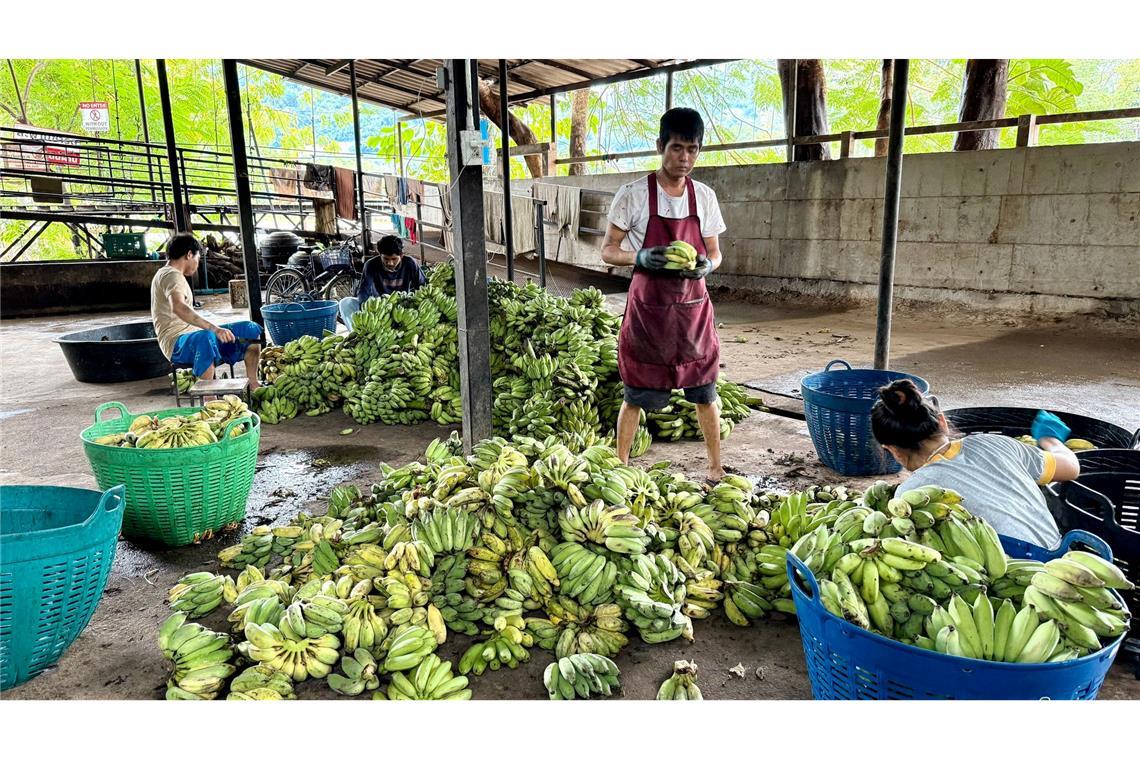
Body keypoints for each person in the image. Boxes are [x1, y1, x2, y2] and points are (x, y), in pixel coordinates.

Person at [601, 107, 727, 483]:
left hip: (692, 314)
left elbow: (715, 251)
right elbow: (608, 250)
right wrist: (639, 256)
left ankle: (715, 466)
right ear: (660, 146)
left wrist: (708, 266)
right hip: (649, 315)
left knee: (705, 393)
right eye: (676, 148)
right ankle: (621, 465)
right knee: (636, 395)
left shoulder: (704, 197)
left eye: (692, 149)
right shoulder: (633, 195)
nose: (684, 158)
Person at [871, 379, 1079, 547]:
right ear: (942, 421)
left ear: (892, 450)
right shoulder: (996, 443)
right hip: (1060, 553)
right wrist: (1049, 439)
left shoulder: (910, 495)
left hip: (1009, 575)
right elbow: (1071, 468)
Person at [150, 233, 261, 389]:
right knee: (206, 337)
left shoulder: (172, 275)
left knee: (249, 328)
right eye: (197, 257)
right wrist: (214, 328)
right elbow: (178, 307)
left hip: (192, 334)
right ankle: (209, 396)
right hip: (176, 343)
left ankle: (253, 384)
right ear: (189, 254)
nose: (198, 263)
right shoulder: (171, 275)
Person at [339, 235, 426, 330]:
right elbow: (364, 291)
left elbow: (422, 286)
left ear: (401, 255)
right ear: (379, 254)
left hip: (402, 309)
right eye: (386, 259)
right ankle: (357, 332)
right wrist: (364, 314)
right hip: (379, 308)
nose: (390, 263)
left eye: (394, 259)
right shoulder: (371, 265)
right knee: (345, 303)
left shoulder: (410, 263)